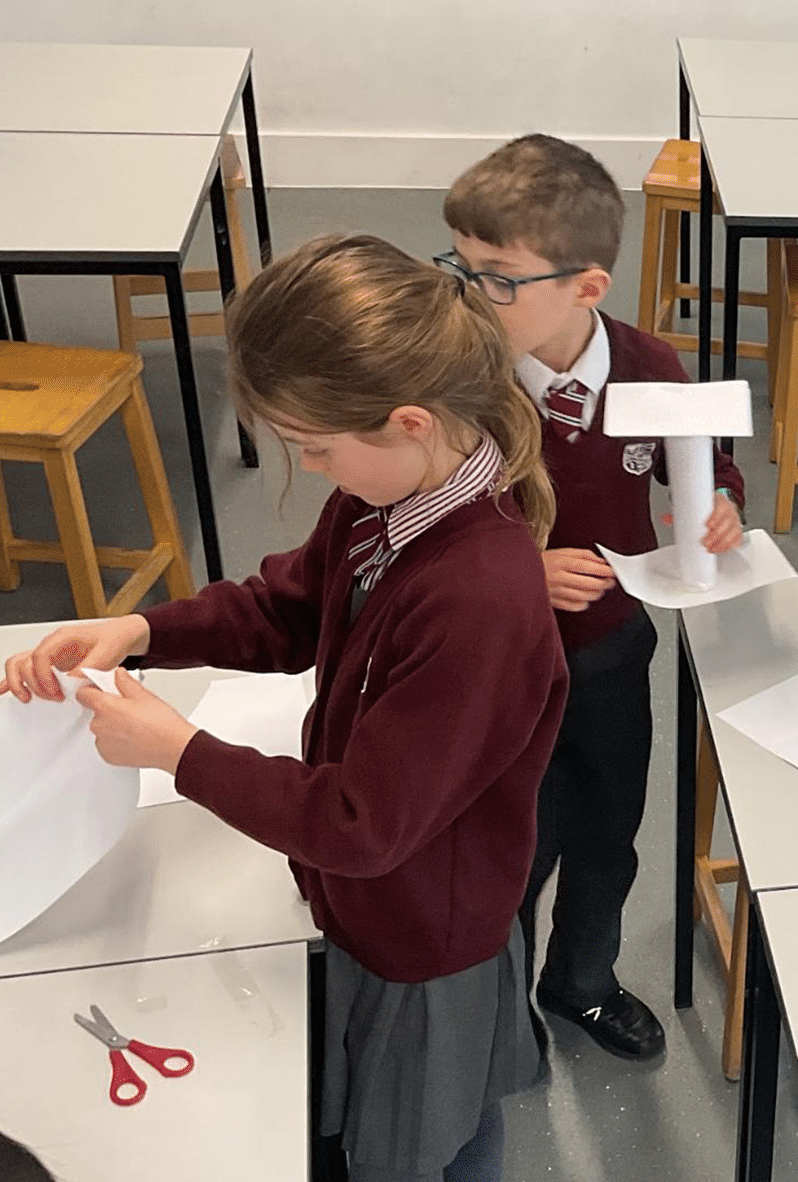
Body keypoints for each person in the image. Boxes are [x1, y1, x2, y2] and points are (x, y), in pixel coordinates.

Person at [2, 235, 568, 1182]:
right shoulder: (385, 498)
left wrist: (179, 751)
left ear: (411, 422)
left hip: (421, 941)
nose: (307, 466)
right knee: (413, 1124)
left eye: (315, 445)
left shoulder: (478, 601)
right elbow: (289, 609)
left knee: (421, 1142)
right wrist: (140, 631)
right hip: (367, 905)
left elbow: (362, 823)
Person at [442, 134, 746, 1061]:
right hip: (499, 661)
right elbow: (417, 524)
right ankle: (498, 1012)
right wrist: (519, 571)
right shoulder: (459, 379)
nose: (473, 295)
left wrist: (720, 501)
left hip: (612, 650)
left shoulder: (650, 367)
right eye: (463, 267)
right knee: (512, 846)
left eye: (499, 279)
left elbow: (703, 457)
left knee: (609, 836)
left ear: (587, 287)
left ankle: (581, 983)